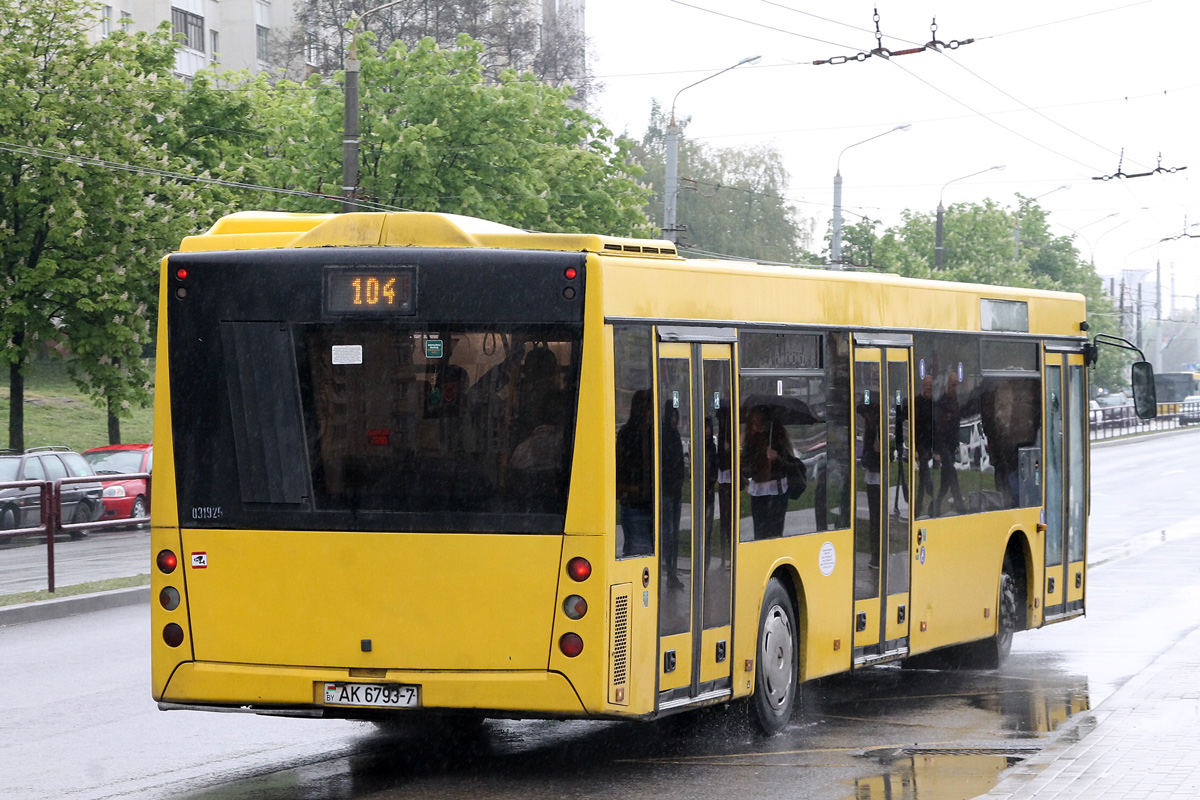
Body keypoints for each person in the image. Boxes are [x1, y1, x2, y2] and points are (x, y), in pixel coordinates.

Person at [742, 407, 798, 539]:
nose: (755, 426)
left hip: (776, 491)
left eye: (757, 422)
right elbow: (747, 468)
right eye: (752, 422)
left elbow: (792, 466)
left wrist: (776, 458)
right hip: (759, 491)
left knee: (775, 533)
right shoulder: (752, 441)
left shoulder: (777, 439)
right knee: (760, 533)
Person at [617, 389, 654, 557]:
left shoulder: (654, 433)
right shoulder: (628, 434)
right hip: (634, 504)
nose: (651, 413)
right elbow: (620, 469)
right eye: (648, 408)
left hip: (651, 504)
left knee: (646, 553)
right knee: (637, 552)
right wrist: (631, 488)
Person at [932, 369, 966, 516]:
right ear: (947, 385)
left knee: (945, 484)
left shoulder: (955, 401)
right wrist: (938, 450)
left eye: (956, 385)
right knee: (952, 475)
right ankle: (959, 505)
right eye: (953, 385)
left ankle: (936, 505)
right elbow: (939, 428)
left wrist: (956, 443)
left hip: (951, 445)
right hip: (944, 445)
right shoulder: (942, 403)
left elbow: (956, 424)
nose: (955, 388)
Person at [659, 403, 686, 588]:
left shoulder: (674, 435)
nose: (674, 420)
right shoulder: (664, 435)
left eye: (676, 417)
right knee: (668, 532)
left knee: (674, 532)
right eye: (672, 416)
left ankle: (672, 571)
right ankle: (669, 569)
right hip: (667, 490)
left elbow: (679, 462)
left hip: (675, 490)